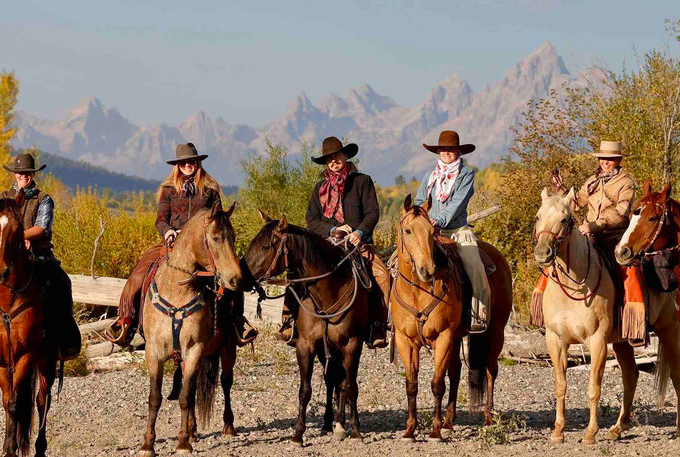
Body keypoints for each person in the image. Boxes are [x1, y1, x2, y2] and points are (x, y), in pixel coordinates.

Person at [108, 143, 255, 346]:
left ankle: (237, 323)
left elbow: (219, 221)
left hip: (204, 248)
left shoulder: (211, 190)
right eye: (183, 162)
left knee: (233, 275)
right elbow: (160, 219)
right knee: (138, 275)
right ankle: (126, 322)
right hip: (172, 244)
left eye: (191, 161)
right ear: (177, 165)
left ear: (198, 163)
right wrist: (168, 231)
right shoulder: (168, 190)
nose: (188, 165)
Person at [274, 136, 389, 349]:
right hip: (325, 244)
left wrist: (360, 232)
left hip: (357, 244)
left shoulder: (362, 181)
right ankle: (290, 322)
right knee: (296, 271)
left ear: (345, 156)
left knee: (382, 275)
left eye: (337, 156)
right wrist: (333, 229)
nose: (333, 161)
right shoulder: (320, 187)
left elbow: (373, 212)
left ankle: (377, 325)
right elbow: (312, 220)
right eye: (329, 158)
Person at [549, 140, 646, 341]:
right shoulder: (593, 180)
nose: (605, 162)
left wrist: (594, 225)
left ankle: (631, 323)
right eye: (603, 158)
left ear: (618, 160)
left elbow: (621, 214)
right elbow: (575, 204)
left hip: (613, 238)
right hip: (587, 237)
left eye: (609, 159)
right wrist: (561, 189)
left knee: (630, 272)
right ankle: (546, 314)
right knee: (553, 263)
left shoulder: (626, 183)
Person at [1, 153, 81, 360]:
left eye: (27, 173)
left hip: (39, 253)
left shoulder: (43, 198)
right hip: (7, 254)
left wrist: (22, 237)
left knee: (61, 281)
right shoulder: (3, 197)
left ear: (33, 174)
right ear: (15, 174)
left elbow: (42, 228)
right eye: (20, 172)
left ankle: (65, 339)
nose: (23, 176)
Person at [414, 130, 489, 333]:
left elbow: (457, 203)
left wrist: (438, 219)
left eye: (451, 149)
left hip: (456, 230)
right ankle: (395, 318)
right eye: (443, 149)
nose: (447, 152)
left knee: (475, 267)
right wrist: (420, 218)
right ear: (438, 152)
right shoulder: (430, 176)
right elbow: (420, 201)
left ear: (458, 152)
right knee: (399, 263)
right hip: (430, 231)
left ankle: (478, 315)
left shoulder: (466, 174)